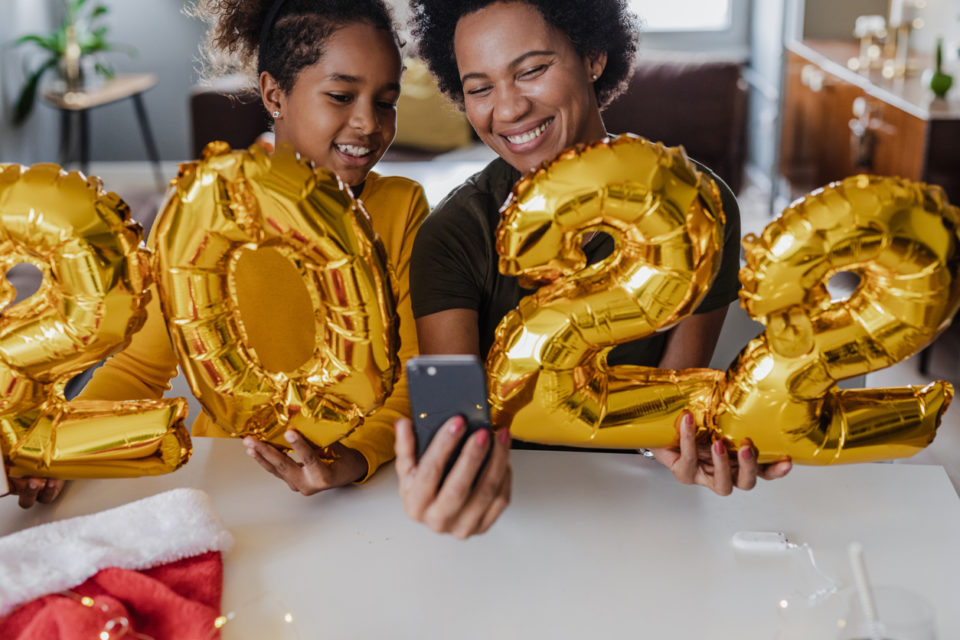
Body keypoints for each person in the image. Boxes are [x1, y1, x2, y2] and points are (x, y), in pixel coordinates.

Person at [396, 0, 792, 538]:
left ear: (593, 55)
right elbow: (455, 438)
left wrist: (694, 451)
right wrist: (444, 487)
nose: (508, 109)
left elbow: (666, 417)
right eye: (480, 87)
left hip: (636, 513)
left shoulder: (699, 206)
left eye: (532, 70)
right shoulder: (451, 235)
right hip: (507, 516)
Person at [10, 0, 429, 507]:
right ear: (275, 93)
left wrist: (354, 457)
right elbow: (138, 372)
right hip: (231, 475)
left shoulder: (401, 207)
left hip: (366, 489)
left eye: (386, 102)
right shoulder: (203, 214)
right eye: (341, 96)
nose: (368, 122)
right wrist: (67, 449)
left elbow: (415, 375)